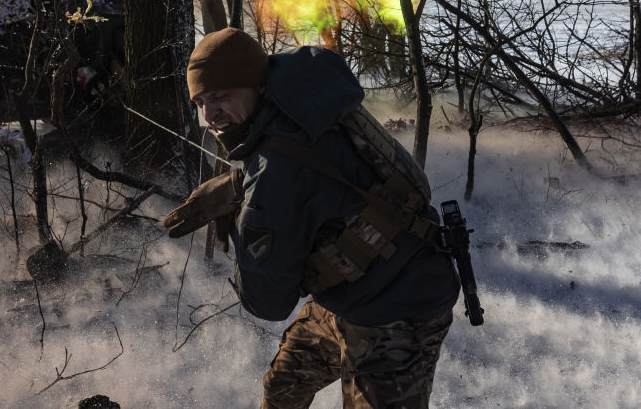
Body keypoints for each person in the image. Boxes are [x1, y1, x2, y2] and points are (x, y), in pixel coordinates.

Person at [163, 28, 461, 408]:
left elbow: (268, 304)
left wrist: (242, 223)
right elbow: (319, 174)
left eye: (219, 97)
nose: (209, 116)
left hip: (399, 314)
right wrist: (239, 184)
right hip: (363, 290)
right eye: (200, 102)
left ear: (257, 85)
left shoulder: (274, 177)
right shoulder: (306, 105)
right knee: (284, 388)